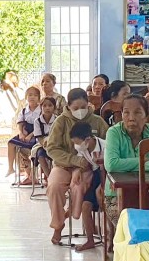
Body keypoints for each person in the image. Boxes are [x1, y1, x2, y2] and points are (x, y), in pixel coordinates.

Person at [46, 88, 110, 244]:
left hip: (87, 167)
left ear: (88, 104)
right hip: (63, 165)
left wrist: (86, 164)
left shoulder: (97, 121)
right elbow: (52, 149)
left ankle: (76, 216)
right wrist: (74, 160)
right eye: (75, 108)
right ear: (68, 106)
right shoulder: (61, 121)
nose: (80, 111)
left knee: (79, 187)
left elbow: (109, 143)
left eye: (83, 107)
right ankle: (58, 225)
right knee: (54, 187)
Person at [104, 95, 149, 240]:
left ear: (146, 116)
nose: (131, 118)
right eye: (126, 112)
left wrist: (125, 164)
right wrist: (144, 161)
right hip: (116, 195)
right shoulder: (114, 132)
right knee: (127, 228)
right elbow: (111, 165)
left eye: (137, 112)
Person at [69, 122, 106, 252]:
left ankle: (110, 237)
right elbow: (83, 162)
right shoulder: (82, 148)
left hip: (108, 176)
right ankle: (90, 240)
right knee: (85, 206)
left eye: (78, 142)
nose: (76, 146)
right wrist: (79, 170)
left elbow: (109, 168)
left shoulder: (105, 147)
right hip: (96, 175)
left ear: (88, 139)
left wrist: (103, 185)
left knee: (104, 202)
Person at [8, 87, 43, 179]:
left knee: (29, 150)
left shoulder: (41, 110)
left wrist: (30, 135)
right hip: (25, 133)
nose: (32, 97)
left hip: (36, 134)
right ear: (26, 97)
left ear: (39, 97)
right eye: (30, 95)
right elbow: (20, 123)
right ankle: (11, 168)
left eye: (35, 95)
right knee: (11, 143)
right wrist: (21, 133)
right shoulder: (24, 111)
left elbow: (40, 126)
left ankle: (32, 176)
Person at [33, 95, 58, 179]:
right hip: (42, 145)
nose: (47, 108)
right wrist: (46, 146)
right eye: (44, 106)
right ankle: (49, 177)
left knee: (57, 155)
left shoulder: (57, 120)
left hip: (56, 144)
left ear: (54, 107)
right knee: (40, 155)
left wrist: (52, 145)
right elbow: (39, 138)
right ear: (41, 107)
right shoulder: (37, 121)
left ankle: (56, 177)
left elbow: (58, 135)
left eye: (50, 105)